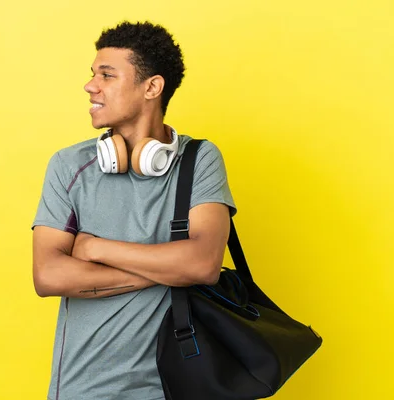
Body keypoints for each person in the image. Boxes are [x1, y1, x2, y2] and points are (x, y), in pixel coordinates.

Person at [31, 20, 237, 400]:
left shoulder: (199, 161)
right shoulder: (68, 166)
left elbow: (203, 264)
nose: (90, 86)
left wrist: (96, 249)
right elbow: (48, 275)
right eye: (92, 74)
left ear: (152, 87)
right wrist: (169, 269)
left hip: (176, 389)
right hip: (83, 389)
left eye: (107, 75)